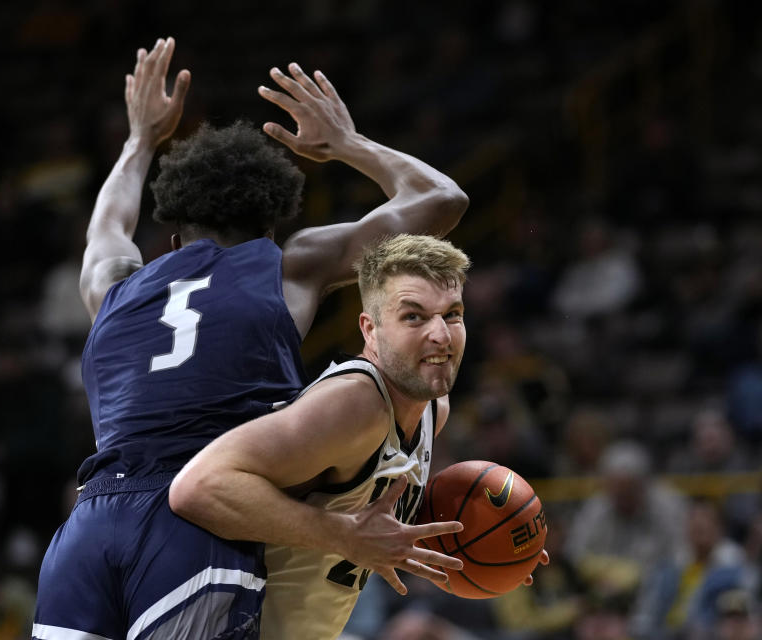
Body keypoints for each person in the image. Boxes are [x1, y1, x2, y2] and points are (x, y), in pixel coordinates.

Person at [33, 36, 470, 640]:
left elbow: (107, 224)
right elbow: (442, 200)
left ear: (174, 239)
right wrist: (347, 143)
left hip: (87, 528)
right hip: (197, 519)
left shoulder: (113, 288)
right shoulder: (287, 270)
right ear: (271, 223)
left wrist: (140, 139)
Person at [171, 235, 540, 639]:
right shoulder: (355, 405)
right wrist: (346, 537)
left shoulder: (435, 408)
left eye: (452, 314)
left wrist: (504, 543)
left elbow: (362, 512)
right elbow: (197, 488)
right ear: (370, 328)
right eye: (414, 317)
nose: (442, 335)